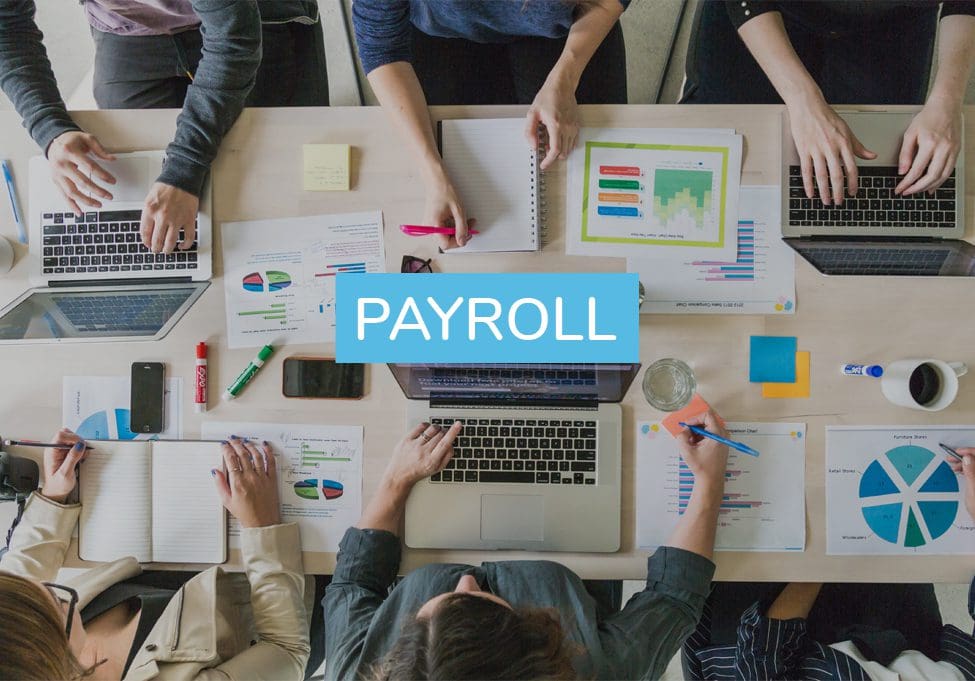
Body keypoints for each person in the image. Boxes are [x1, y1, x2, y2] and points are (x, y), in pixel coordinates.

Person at [323, 410, 730, 680]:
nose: (465, 581)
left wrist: (397, 482)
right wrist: (709, 482)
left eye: (430, 611)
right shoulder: (595, 672)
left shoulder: (358, 670)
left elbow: (354, 585)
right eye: (481, 600)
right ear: (535, 644)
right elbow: (676, 595)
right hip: (581, 564)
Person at [0, 0, 326, 255]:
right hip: (129, 26)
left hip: (249, 14)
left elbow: (234, 40)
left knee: (278, 177)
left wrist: (184, 167)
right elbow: (7, 23)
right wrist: (49, 128)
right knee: (139, 195)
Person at [0, 429, 311, 680]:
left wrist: (55, 493)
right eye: (59, 602)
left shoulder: (19, 635)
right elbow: (286, 649)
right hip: (278, 597)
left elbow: (21, 573)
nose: (55, 592)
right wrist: (262, 527)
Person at [352, 0, 629, 250]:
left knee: (592, 202)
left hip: (566, 29)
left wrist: (566, 78)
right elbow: (381, 46)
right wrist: (432, 173)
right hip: (441, 32)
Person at [682, 447, 975, 680]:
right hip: (891, 637)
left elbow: (763, 653)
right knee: (905, 549)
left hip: (757, 643)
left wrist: (820, 563)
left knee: (775, 505)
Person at [681, 1, 975, 206]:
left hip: (894, 24)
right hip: (766, 12)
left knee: (875, 175)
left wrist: (947, 101)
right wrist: (804, 101)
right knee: (716, 152)